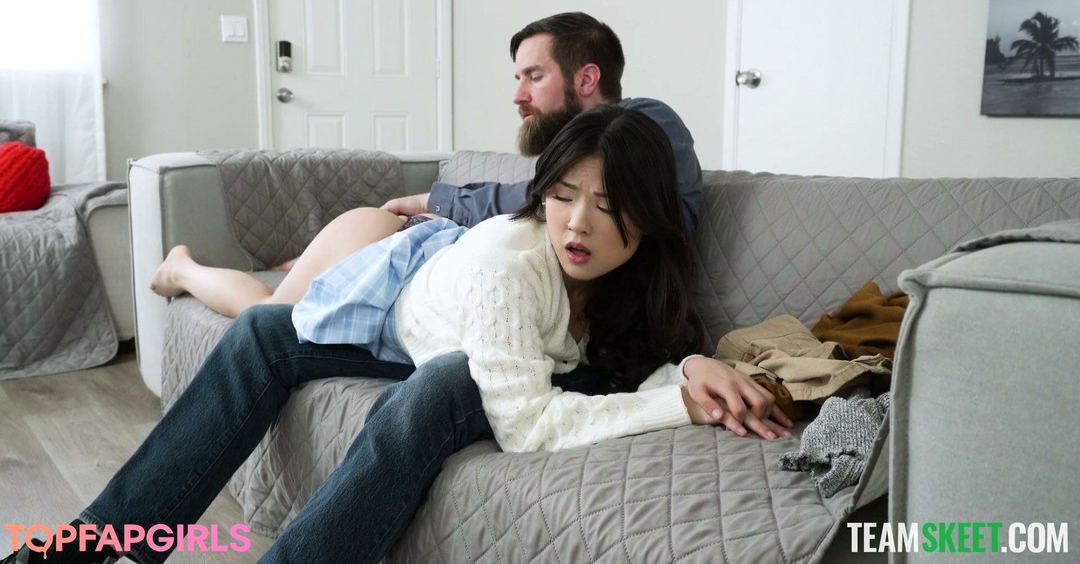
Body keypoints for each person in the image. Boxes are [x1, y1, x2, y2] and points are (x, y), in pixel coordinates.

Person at [3, 106, 790, 564]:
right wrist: (677, 400)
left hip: (493, 353)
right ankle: (92, 545)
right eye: (563, 195)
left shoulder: (645, 275)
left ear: (648, 217)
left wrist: (688, 366)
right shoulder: (509, 261)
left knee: (441, 382)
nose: (578, 223)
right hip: (409, 316)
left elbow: (637, 363)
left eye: (609, 205)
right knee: (265, 330)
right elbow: (530, 425)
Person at [147, 11, 704, 318]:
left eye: (533, 76)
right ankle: (183, 269)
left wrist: (432, 201)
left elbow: (657, 219)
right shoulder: (565, 163)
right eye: (517, 78)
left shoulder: (646, 124)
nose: (517, 95)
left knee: (288, 299)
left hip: (423, 243)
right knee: (270, 315)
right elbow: (524, 206)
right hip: (412, 240)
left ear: (587, 78)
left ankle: (312, 260)